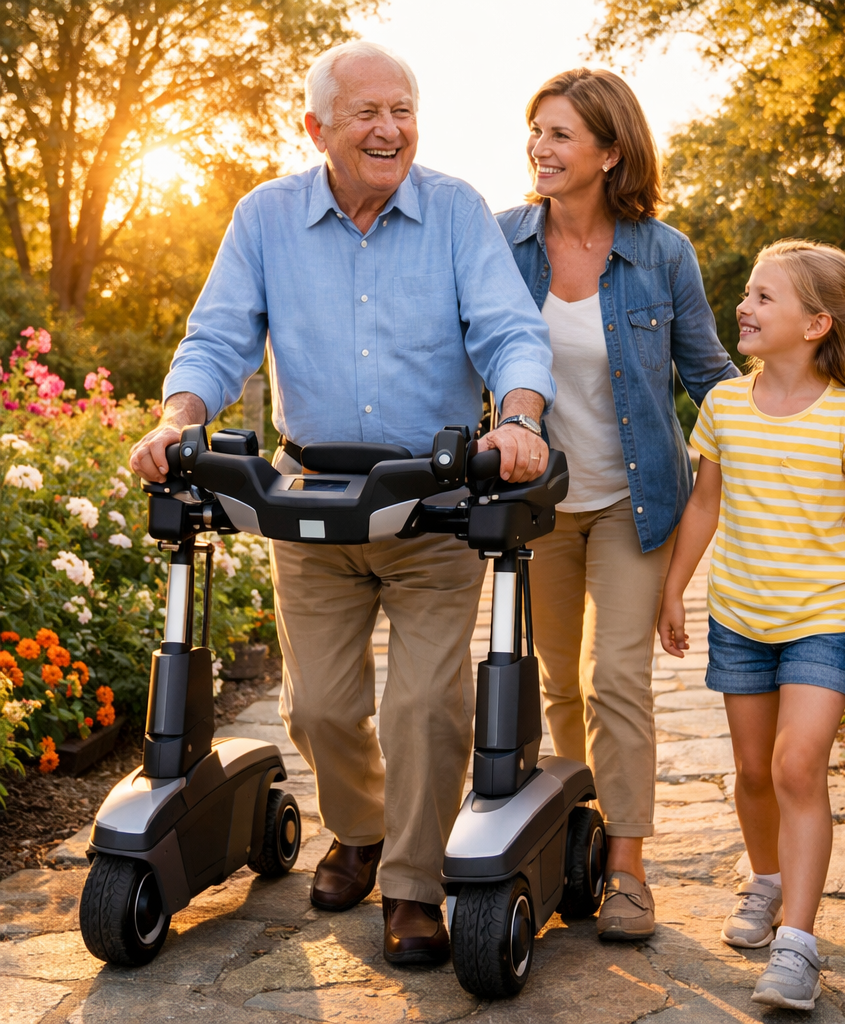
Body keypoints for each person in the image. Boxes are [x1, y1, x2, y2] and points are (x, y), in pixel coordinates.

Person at [129, 41, 556, 967]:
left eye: (402, 110)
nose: (389, 128)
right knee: (319, 707)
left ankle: (410, 884)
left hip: (431, 500)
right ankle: (358, 828)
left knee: (426, 708)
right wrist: (178, 418)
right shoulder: (266, 217)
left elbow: (508, 328)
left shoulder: (453, 212)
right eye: (366, 112)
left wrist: (519, 418)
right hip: (309, 501)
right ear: (316, 127)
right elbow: (216, 339)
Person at [496, 68, 738, 941]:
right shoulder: (502, 242)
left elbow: (711, 377)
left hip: (635, 503)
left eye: (561, 134)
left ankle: (628, 872)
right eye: (536, 129)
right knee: (558, 682)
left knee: (616, 681)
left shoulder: (662, 252)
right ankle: (569, 840)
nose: (541, 148)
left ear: (610, 151)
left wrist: (792, 432)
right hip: (537, 503)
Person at [658, 239, 845, 1010]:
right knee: (754, 772)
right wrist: (674, 590)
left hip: (823, 621)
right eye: (748, 292)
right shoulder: (725, 405)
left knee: (799, 767)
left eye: (765, 297)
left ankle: (797, 945)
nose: (745, 305)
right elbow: (704, 505)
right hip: (741, 617)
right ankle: (765, 880)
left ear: (815, 324)